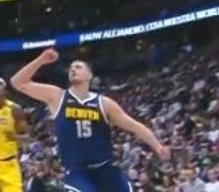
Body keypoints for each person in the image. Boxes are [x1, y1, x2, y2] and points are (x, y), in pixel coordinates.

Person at [10, 48, 171, 192]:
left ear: (89, 75)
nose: (73, 69)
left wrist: (158, 146)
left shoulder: (104, 103)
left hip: (105, 169)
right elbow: (17, 82)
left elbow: (135, 127)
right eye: (71, 68)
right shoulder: (57, 97)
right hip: (77, 172)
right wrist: (40, 60)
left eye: (78, 67)